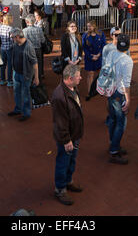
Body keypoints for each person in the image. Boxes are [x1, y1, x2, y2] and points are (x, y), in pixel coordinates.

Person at [51, 64, 84, 206]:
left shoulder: (72, 88)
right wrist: (66, 140)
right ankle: (60, 189)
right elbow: (60, 122)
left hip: (74, 135)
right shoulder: (59, 96)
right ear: (70, 78)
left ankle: (68, 181)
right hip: (68, 138)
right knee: (63, 162)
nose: (81, 78)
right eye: (78, 76)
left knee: (71, 161)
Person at [106, 34, 133, 165]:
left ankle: (113, 143)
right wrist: (128, 100)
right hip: (119, 93)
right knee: (121, 123)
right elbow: (126, 83)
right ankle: (114, 150)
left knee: (112, 119)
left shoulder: (111, 54)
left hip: (110, 90)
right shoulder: (127, 60)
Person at [8, 28, 39, 122]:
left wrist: (36, 77)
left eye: (12, 37)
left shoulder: (28, 46)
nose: (12, 39)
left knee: (25, 94)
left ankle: (26, 113)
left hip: (25, 75)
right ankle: (18, 109)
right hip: (16, 73)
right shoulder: (16, 44)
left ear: (17, 37)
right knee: (17, 92)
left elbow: (35, 63)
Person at [82, 20, 106, 100]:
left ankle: (100, 90)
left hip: (99, 57)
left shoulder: (100, 33)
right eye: (88, 26)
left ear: (94, 26)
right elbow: (84, 47)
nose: (89, 28)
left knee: (100, 75)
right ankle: (90, 92)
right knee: (90, 75)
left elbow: (104, 45)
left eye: (90, 26)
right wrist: (90, 56)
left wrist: (99, 54)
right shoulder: (85, 35)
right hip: (89, 58)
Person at [23, 14, 45, 84]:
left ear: (27, 22)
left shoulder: (24, 31)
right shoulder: (39, 29)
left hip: (29, 50)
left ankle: (31, 80)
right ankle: (39, 79)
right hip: (38, 49)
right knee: (39, 64)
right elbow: (43, 40)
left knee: (29, 66)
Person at [0, 13, 14, 87]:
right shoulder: (10, 29)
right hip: (9, 48)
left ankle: (2, 79)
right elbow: (11, 39)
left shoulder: (0, 27)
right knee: (10, 64)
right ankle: (9, 81)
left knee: (3, 64)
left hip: (2, 47)